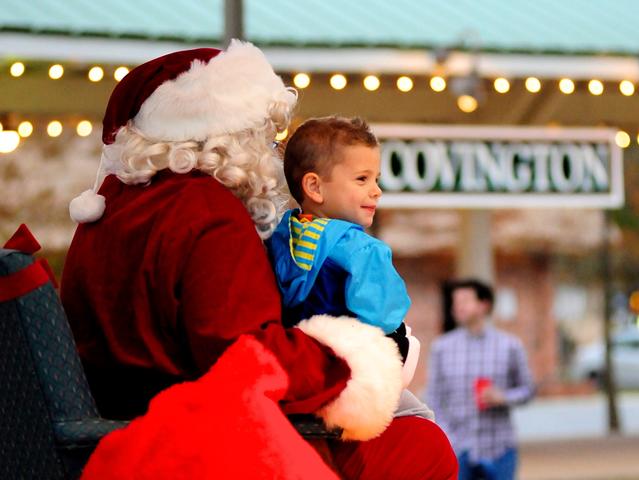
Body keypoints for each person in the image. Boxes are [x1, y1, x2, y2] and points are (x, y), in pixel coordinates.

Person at [60, 40, 457, 478]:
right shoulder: (207, 212)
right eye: (261, 132)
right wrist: (349, 360)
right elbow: (243, 354)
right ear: (230, 132)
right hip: (198, 447)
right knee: (422, 443)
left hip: (125, 433)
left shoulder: (108, 211)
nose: (269, 149)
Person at [266, 116, 428, 415]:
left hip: (299, 368)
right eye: (362, 179)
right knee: (421, 415)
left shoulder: (280, 238)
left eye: (376, 179)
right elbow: (385, 314)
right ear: (314, 187)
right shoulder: (362, 250)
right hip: (350, 375)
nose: (376, 190)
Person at [426, 278, 535, 480]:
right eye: (455, 301)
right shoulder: (441, 348)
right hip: (457, 449)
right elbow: (433, 398)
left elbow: (528, 390)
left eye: (465, 300)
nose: (458, 306)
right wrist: (447, 436)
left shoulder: (510, 345)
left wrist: (504, 397)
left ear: (484, 305)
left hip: (500, 449)